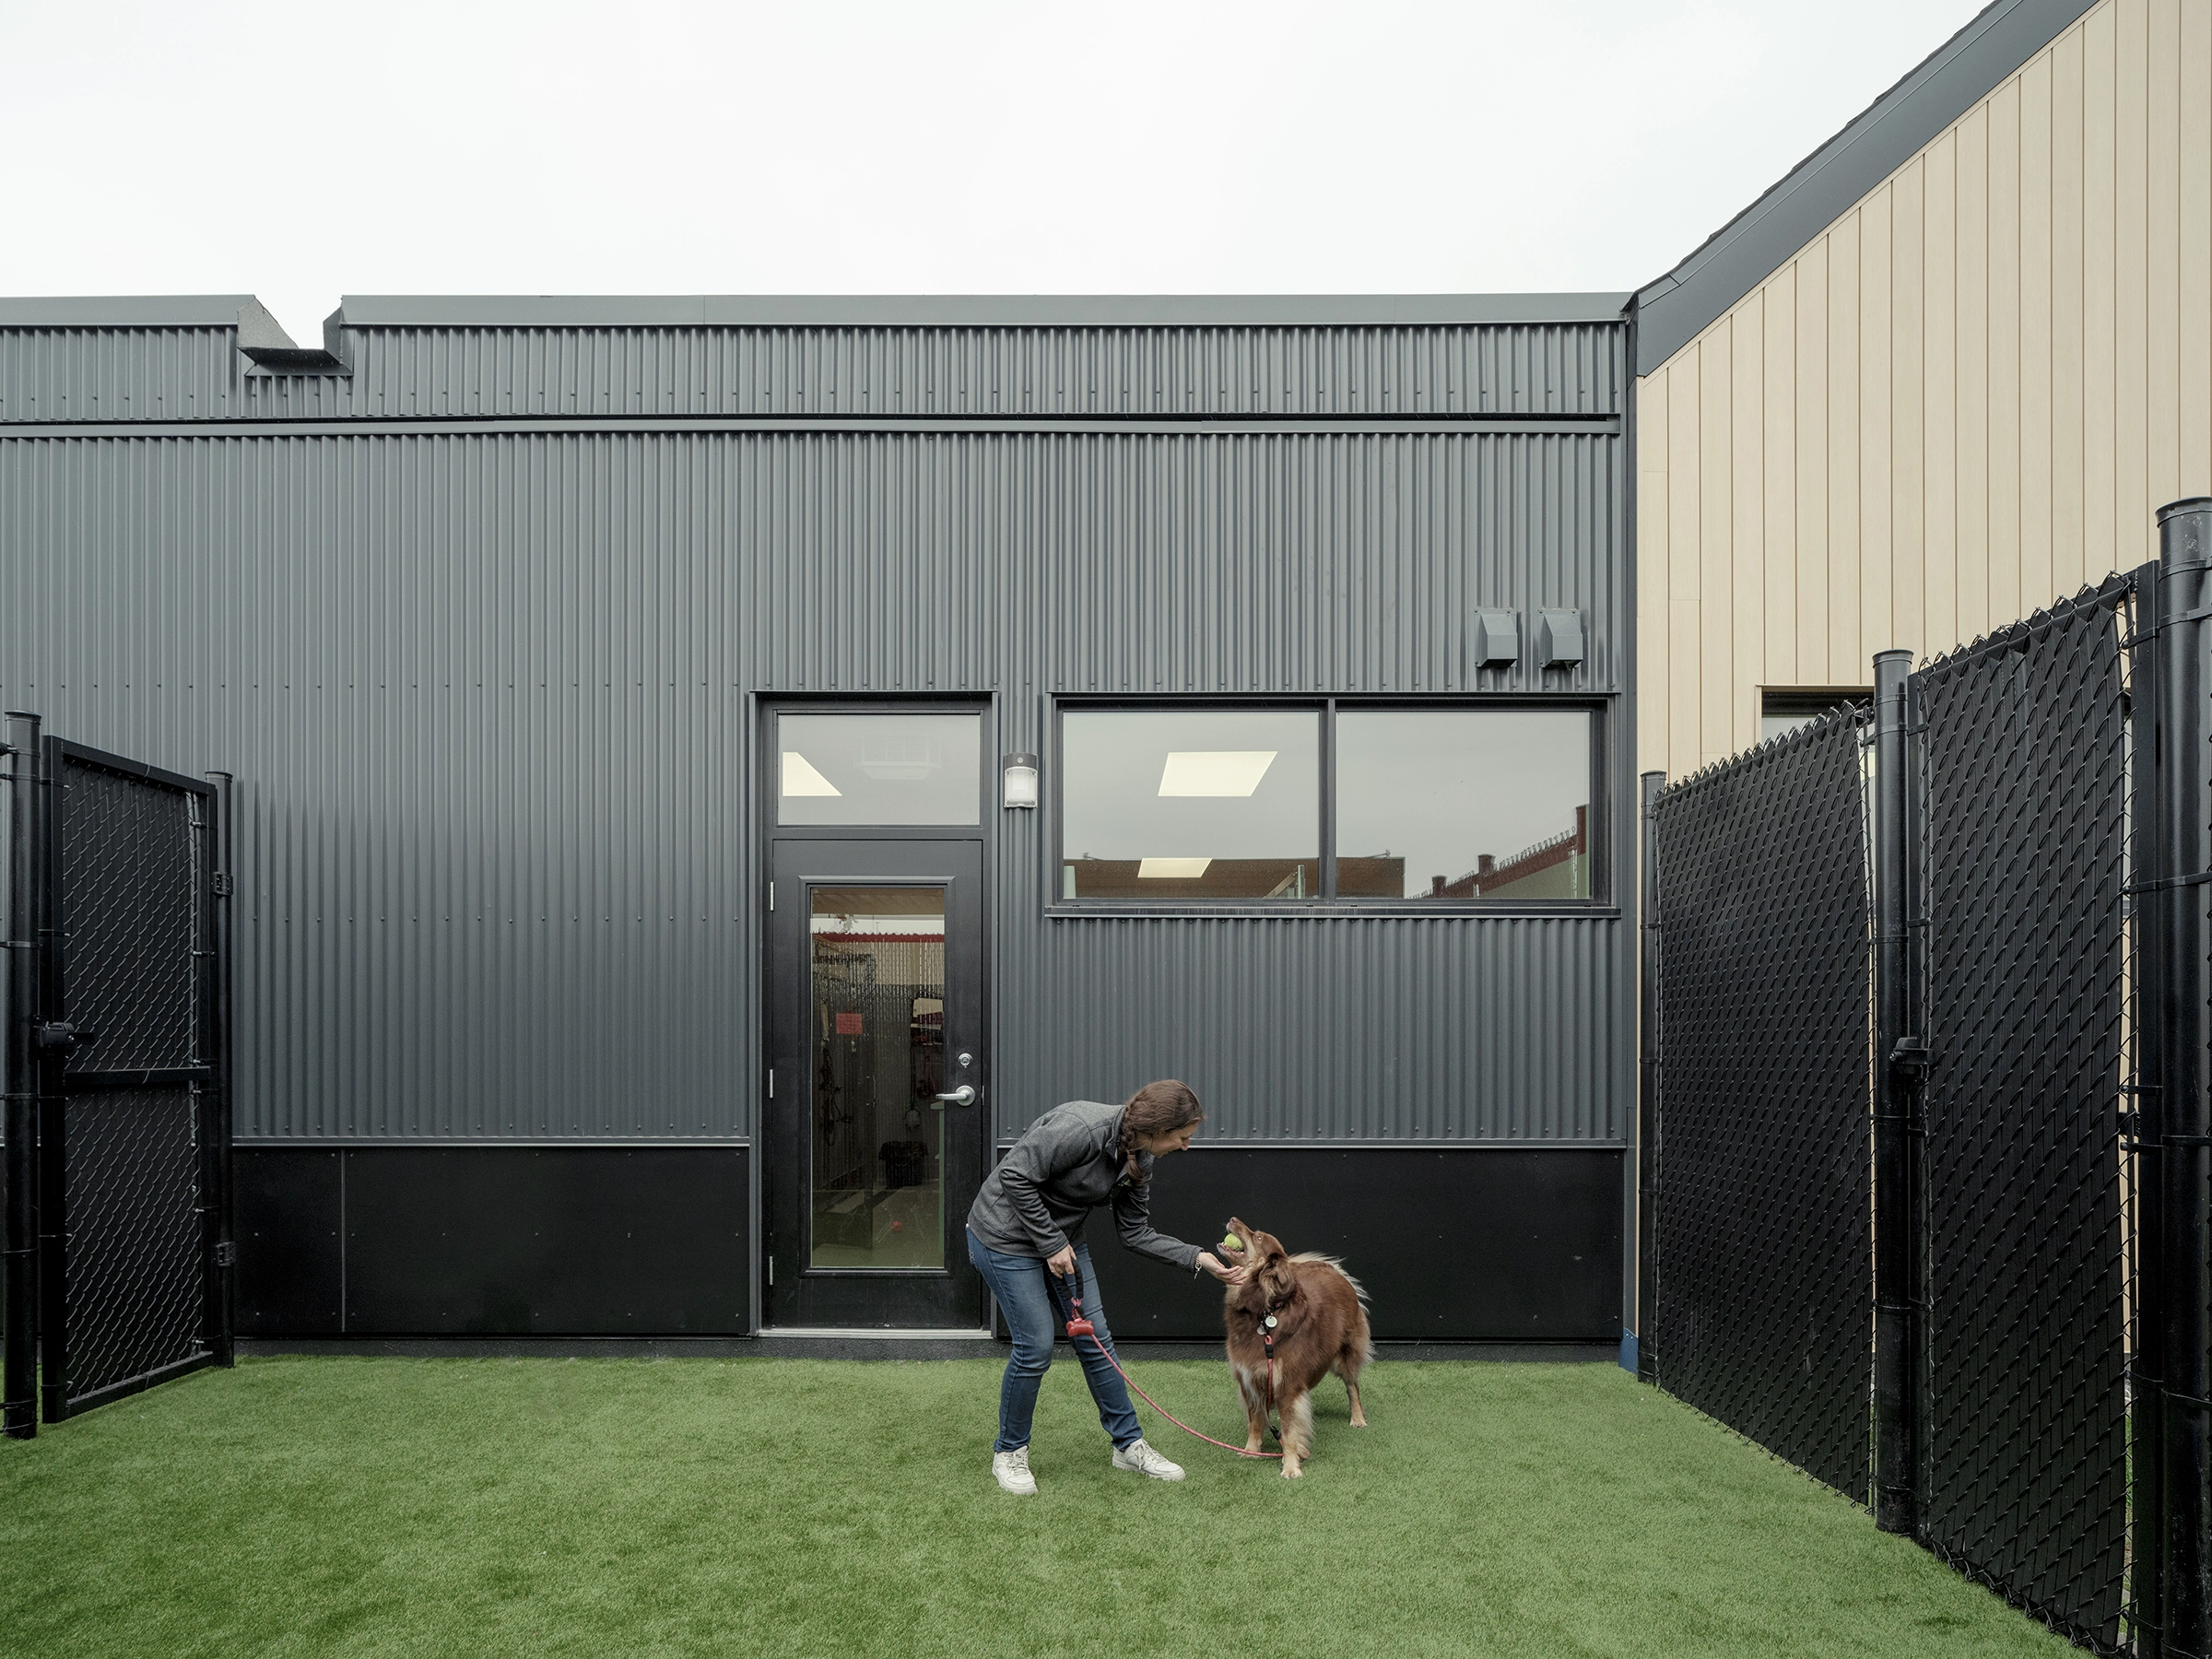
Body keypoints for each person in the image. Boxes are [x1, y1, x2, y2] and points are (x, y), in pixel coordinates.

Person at [964, 1078, 1246, 1495]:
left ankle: (1128, 1444)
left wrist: (1198, 1257)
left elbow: (1135, 1232)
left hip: (1061, 1242)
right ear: (1157, 1128)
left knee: (1096, 1341)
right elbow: (1015, 1175)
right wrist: (1051, 1242)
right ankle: (1009, 1452)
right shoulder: (1081, 1128)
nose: (1187, 1146)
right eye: (1182, 1137)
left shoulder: (1141, 1159)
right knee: (1036, 1345)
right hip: (1004, 1238)